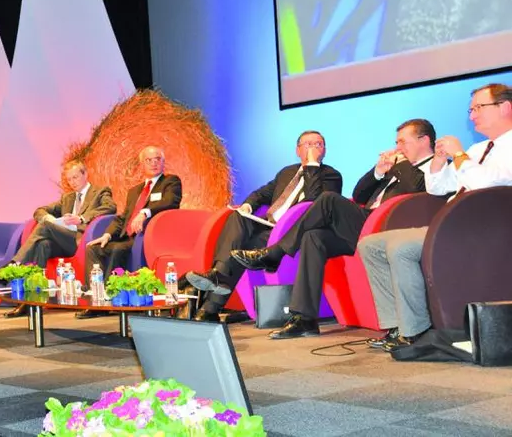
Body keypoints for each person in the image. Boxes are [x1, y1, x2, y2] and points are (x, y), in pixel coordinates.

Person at [231, 119, 436, 339]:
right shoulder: (395, 167)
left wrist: (403, 165)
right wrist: (378, 171)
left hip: (386, 229)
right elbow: (359, 196)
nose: (398, 148)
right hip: (362, 225)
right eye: (397, 142)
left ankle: (275, 252)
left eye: (403, 142)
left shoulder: (434, 169)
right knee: (313, 237)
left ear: (424, 140)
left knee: (328, 199)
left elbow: (423, 194)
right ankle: (305, 318)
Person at [359, 83, 512, 352]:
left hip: (483, 228)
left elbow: (487, 184)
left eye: (478, 108)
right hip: (452, 223)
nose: (472, 115)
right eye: (470, 109)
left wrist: (458, 154)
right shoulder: (478, 149)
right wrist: (439, 163)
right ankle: (397, 325)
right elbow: (438, 188)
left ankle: (415, 331)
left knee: (402, 248)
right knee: (369, 245)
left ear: (505, 107)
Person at [185, 131, 342, 322]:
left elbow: (313, 202)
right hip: (268, 226)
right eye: (307, 144)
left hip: (291, 233)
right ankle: (219, 273)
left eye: (317, 144)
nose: (312, 149)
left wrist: (312, 167)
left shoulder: (331, 176)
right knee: (238, 217)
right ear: (297, 150)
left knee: (243, 248)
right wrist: (248, 205)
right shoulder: (286, 172)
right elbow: (262, 193)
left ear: (324, 150)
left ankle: (211, 305)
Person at [0, 160, 116, 317]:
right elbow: (39, 210)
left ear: (85, 174)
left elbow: (110, 207)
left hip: (82, 239)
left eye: (76, 177)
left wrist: (81, 218)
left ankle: (12, 266)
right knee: (42, 244)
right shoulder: (67, 198)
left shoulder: (100, 192)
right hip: (64, 240)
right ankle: (31, 302)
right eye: (69, 179)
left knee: (45, 227)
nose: (73, 182)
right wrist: (48, 217)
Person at [80, 146, 182, 319]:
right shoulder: (135, 190)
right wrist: (107, 235)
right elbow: (123, 217)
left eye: (157, 159)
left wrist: (145, 212)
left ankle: (109, 298)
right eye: (149, 160)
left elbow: (170, 202)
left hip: (148, 237)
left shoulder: (171, 182)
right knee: (93, 249)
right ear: (142, 164)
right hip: (126, 236)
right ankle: (96, 297)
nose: (154, 163)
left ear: (163, 162)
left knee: (118, 249)